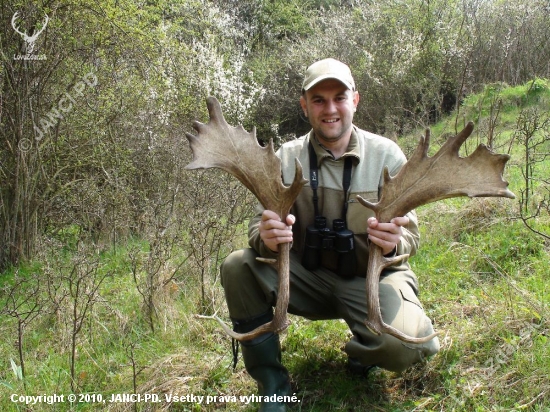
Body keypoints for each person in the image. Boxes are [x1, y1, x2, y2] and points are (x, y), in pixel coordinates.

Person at [221, 58, 440, 412]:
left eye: (339, 97)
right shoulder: (285, 157)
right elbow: (255, 226)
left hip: (372, 278)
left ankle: (365, 350)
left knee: (409, 347)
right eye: (319, 99)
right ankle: (272, 383)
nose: (330, 109)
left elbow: (410, 233)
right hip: (306, 277)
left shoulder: (387, 156)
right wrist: (266, 234)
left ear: (355, 99)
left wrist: (394, 241)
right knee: (237, 265)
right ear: (304, 105)